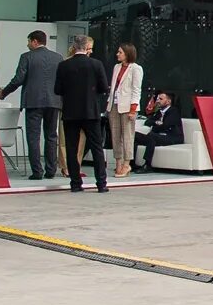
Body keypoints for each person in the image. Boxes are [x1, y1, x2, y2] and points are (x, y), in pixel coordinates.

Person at [0, 30, 62, 181]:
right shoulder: (58, 58)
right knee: (51, 136)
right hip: (54, 102)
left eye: (28, 41)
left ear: (34, 41)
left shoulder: (27, 57)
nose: (27, 45)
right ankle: (51, 170)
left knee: (33, 137)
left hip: (33, 102)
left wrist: (3, 93)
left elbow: (18, 79)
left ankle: (37, 172)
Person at [55, 36, 110, 192]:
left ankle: (75, 183)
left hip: (70, 112)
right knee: (96, 147)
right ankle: (101, 183)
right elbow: (104, 87)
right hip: (90, 111)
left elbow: (57, 89)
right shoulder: (96, 64)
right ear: (86, 47)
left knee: (72, 148)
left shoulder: (63, 66)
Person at [108, 43, 144, 178]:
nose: (117, 54)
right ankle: (118, 162)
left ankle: (127, 163)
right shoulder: (116, 67)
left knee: (127, 135)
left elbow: (136, 89)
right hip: (114, 104)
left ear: (128, 54)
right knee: (115, 135)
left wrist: (133, 109)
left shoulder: (136, 68)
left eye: (120, 52)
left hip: (128, 106)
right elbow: (113, 87)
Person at [134, 91, 183, 172]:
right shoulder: (159, 112)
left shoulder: (174, 111)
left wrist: (156, 126)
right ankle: (132, 164)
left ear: (168, 101)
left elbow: (165, 126)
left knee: (152, 136)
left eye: (161, 99)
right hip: (159, 136)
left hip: (173, 137)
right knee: (135, 136)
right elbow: (148, 122)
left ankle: (147, 165)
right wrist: (156, 122)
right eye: (157, 99)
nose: (158, 101)